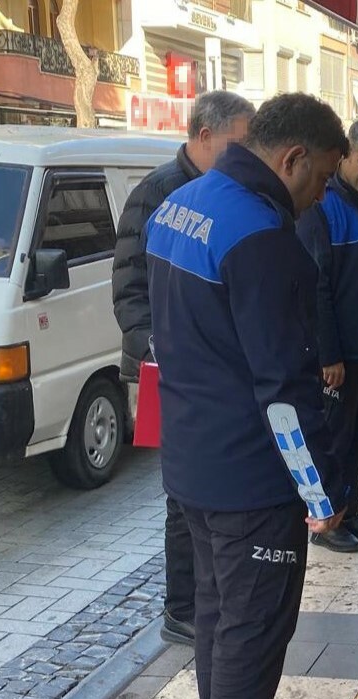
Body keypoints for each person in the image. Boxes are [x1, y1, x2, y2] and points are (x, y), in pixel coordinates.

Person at [145, 93, 348, 699]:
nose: (320, 197)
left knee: (216, 620)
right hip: (250, 485)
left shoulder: (182, 203)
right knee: (250, 634)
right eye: (321, 179)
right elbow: (285, 391)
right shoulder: (262, 237)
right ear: (293, 158)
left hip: (192, 465)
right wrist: (322, 494)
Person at [111, 90, 255, 647]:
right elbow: (128, 292)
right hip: (165, 372)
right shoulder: (157, 194)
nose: (246, 157)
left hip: (214, 373)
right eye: (236, 145)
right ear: (202, 136)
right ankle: (181, 607)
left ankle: (208, 599)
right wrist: (163, 345)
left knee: (208, 489)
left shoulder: (232, 193)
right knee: (182, 494)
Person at [296, 119, 358, 553]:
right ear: (345, 156)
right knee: (334, 437)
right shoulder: (324, 205)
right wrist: (328, 354)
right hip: (340, 353)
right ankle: (327, 519)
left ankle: (351, 509)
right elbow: (315, 284)